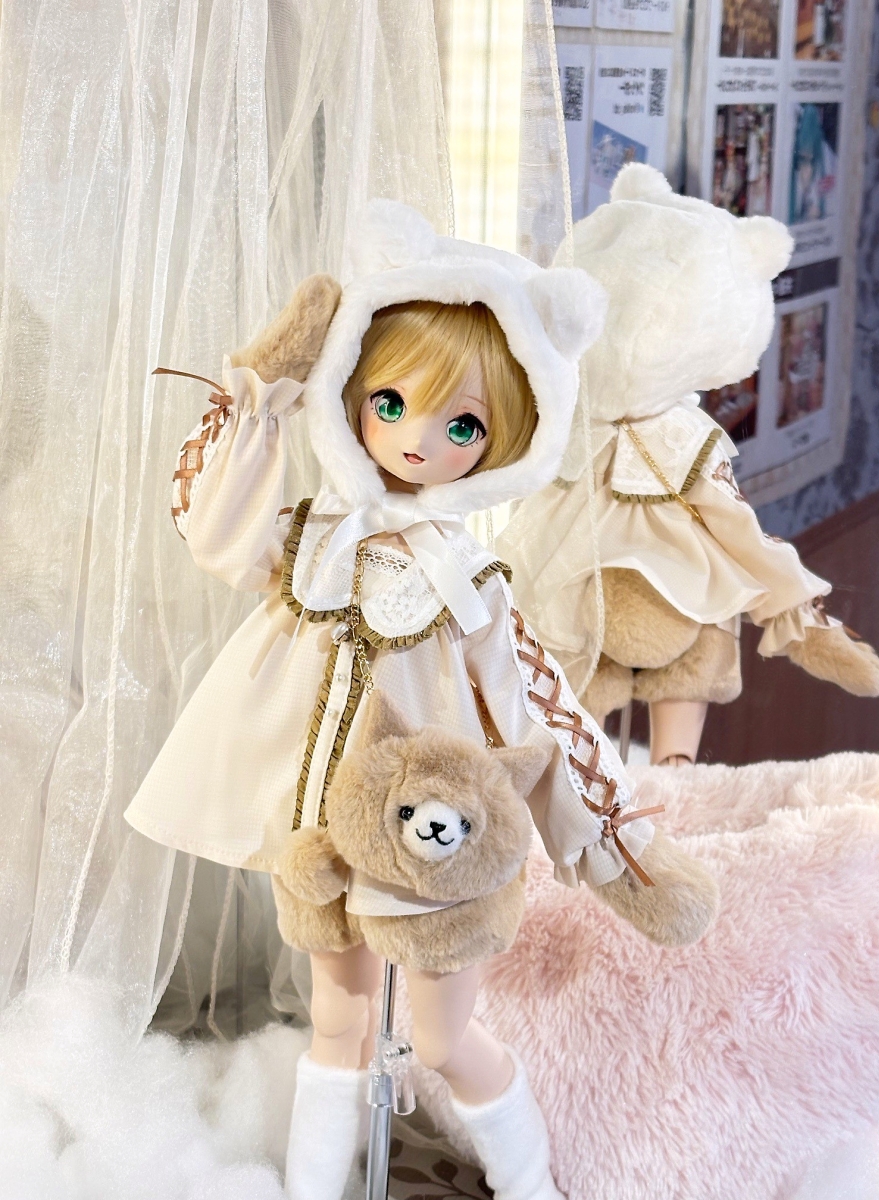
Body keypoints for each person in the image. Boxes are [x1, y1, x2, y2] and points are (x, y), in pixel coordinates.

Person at [125, 200, 662, 1200]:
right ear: (352, 394)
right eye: (390, 402)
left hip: (433, 834)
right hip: (317, 827)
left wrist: (610, 843)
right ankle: (317, 1190)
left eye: (463, 425)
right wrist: (264, 391)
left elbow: (538, 712)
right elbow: (208, 525)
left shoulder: (468, 580)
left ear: (506, 442)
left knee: (444, 1036)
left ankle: (532, 1184)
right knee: (337, 1024)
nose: (418, 441)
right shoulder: (311, 539)